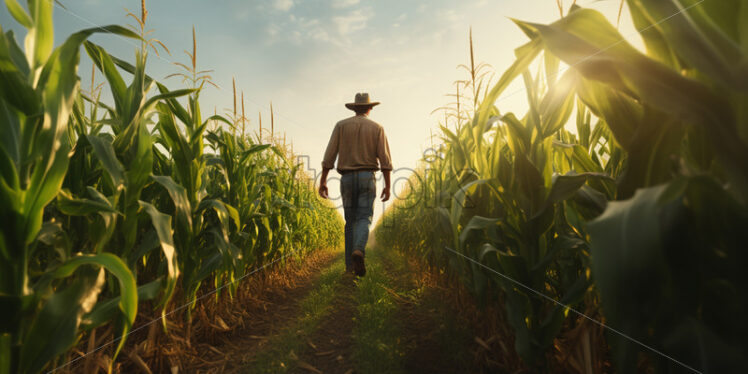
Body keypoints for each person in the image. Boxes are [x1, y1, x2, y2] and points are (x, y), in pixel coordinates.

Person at [319, 93, 393, 276]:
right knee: (364, 217)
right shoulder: (377, 127)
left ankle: (349, 268)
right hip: (368, 176)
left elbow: (329, 155)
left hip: (347, 178)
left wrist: (323, 180)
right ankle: (359, 250)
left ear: (354, 108)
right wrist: (388, 185)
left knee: (350, 221)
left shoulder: (341, 126)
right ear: (370, 108)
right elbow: (385, 159)